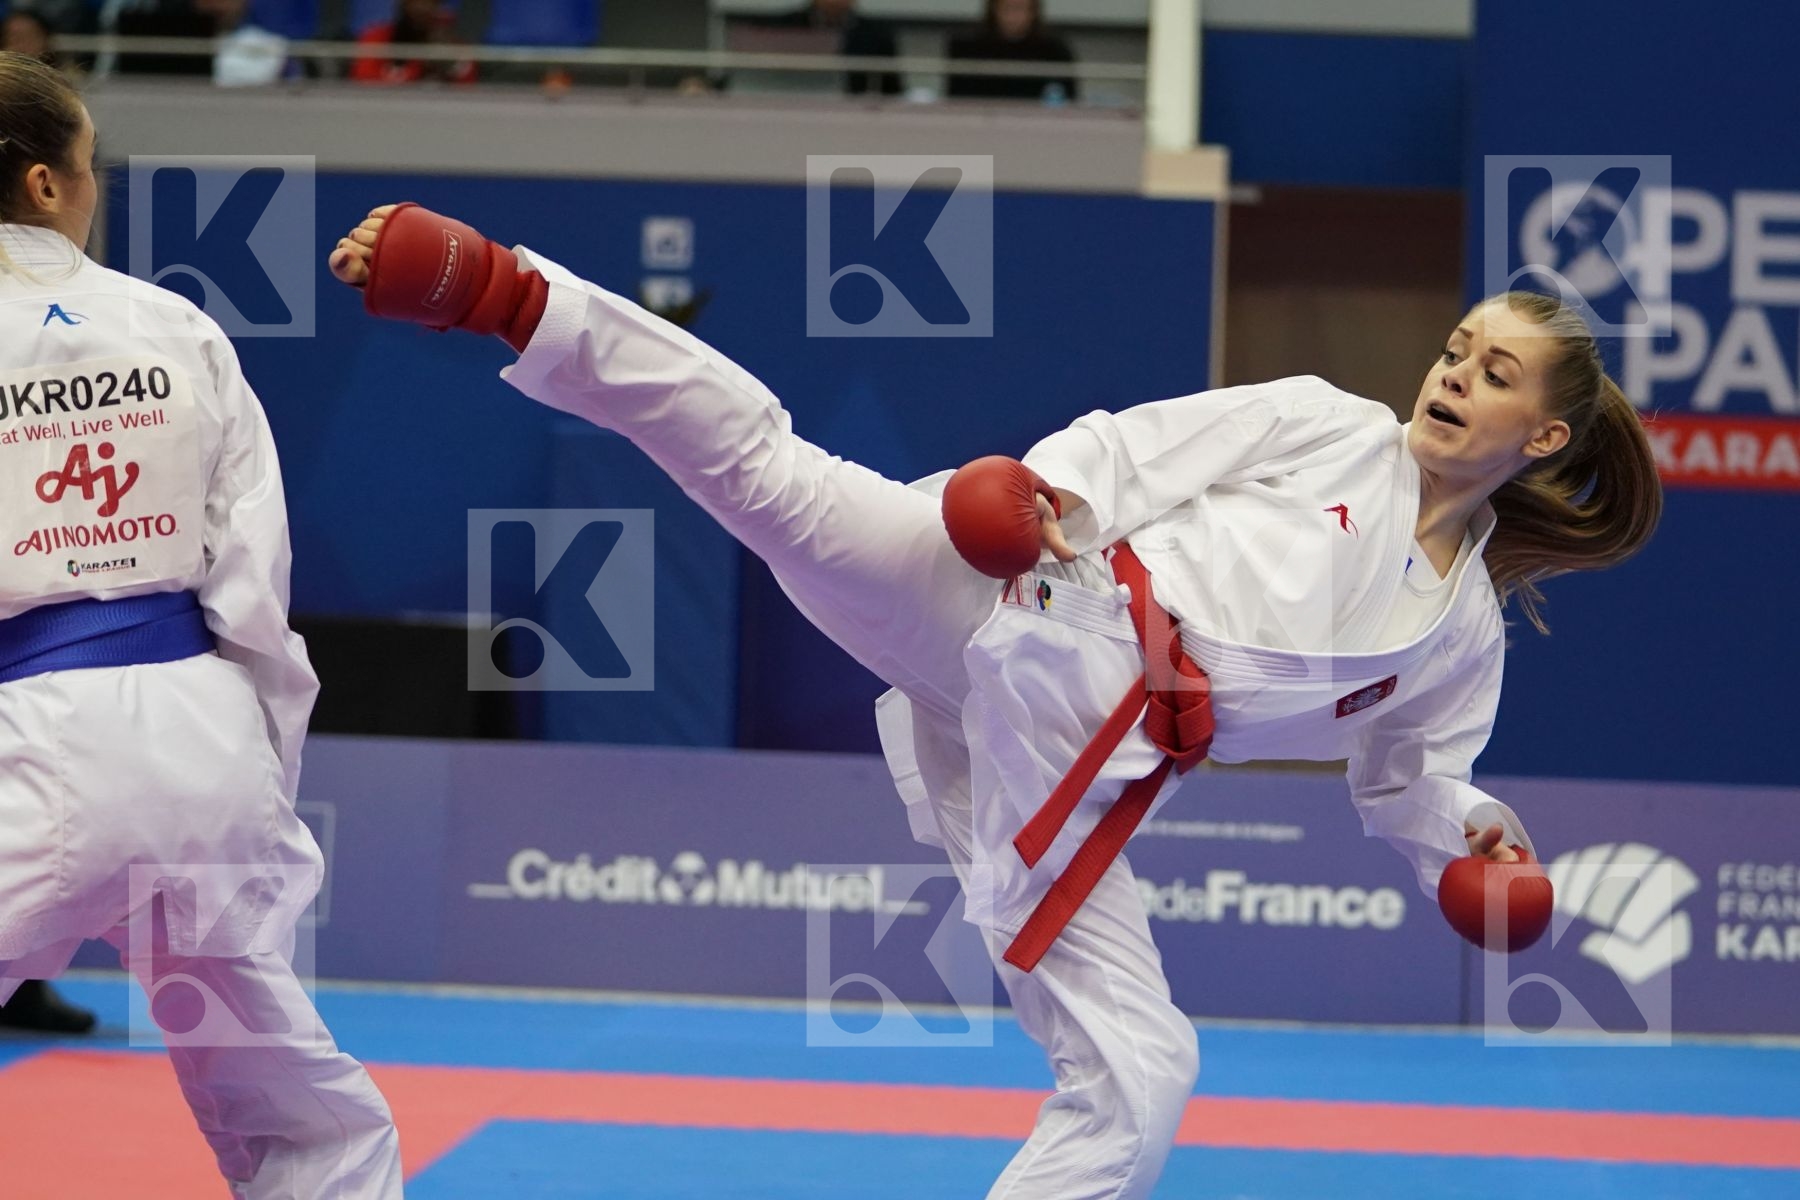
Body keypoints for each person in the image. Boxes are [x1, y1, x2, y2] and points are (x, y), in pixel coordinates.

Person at [328, 202, 1661, 1198]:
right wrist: (1044, 496)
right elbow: (1138, 448)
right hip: (1024, 590)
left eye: (1494, 373)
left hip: (1089, 751)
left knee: (1146, 1072)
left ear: (1541, 437)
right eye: (1457, 346)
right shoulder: (1329, 423)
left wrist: (1473, 840)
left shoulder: (1460, 632)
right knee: (766, 468)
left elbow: (1409, 782)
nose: (1452, 374)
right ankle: (507, 293)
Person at [0, 54, 402, 1197]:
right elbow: (253, 590)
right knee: (305, 1116)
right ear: (44, 185)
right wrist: (256, 784)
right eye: (90, 169)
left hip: (22, 741)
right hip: (194, 738)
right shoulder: (175, 325)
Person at [756, 0, 901, 96]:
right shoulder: (781, 27)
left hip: (851, 117)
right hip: (788, 106)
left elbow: (892, 91)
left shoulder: (877, 34)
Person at [948, 0, 1078, 102]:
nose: (1013, 16)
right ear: (994, 9)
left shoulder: (1054, 50)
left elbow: (1069, 102)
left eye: (1020, 8)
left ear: (1033, 12)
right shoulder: (969, 48)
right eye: (1007, 8)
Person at [349, 0, 477, 85]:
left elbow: (468, 86)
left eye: (429, 2)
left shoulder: (454, 45)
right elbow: (364, 78)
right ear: (403, 5)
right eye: (415, 2)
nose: (421, 8)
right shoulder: (376, 37)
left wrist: (449, 66)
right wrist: (418, 68)